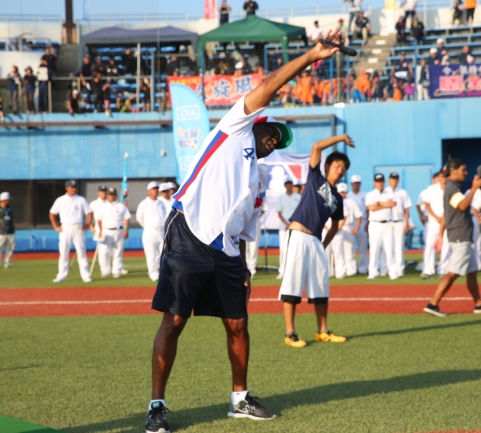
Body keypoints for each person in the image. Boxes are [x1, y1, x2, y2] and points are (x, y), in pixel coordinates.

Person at [145, 29, 343, 432]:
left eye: (278, 141)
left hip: (228, 251)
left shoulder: (257, 177)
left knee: (238, 323)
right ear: (257, 122)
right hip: (189, 233)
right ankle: (157, 406)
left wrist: (246, 266)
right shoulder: (233, 127)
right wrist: (310, 57)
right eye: (271, 132)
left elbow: (245, 226)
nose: (272, 140)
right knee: (175, 321)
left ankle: (240, 399)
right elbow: (269, 86)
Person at [278, 134, 352, 348]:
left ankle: (322, 331)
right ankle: (290, 333)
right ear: (328, 166)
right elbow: (317, 146)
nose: (340, 170)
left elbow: (337, 224)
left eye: (343, 168)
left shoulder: (338, 198)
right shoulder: (315, 178)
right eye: (337, 165)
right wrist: (341, 138)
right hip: (298, 234)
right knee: (292, 283)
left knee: (321, 286)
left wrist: (323, 244)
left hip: (315, 241)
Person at [423, 159, 481, 317]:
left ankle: (479, 304)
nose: (466, 172)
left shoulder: (453, 187)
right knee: (453, 273)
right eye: (463, 170)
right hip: (460, 236)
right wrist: (474, 188)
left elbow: (448, 213)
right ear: (453, 171)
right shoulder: (452, 188)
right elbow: (463, 205)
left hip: (462, 235)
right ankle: (433, 303)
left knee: (471, 271)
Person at [49, 180, 93, 283]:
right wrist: (55, 226)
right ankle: (62, 275)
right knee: (63, 252)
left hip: (77, 226)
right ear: (66, 188)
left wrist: (87, 224)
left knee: (81, 252)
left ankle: (85, 275)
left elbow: (89, 212)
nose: (74, 189)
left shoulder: (81, 200)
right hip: (65, 227)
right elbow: (52, 213)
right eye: (71, 187)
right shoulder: (60, 200)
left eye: (75, 187)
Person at [366, 173, 398, 280]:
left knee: (389, 249)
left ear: (384, 182)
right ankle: (373, 272)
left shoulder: (389, 193)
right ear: (374, 182)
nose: (380, 183)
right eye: (378, 181)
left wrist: (379, 203)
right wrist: (384, 204)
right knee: (374, 249)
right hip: (375, 224)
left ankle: (392, 271)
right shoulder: (370, 194)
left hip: (388, 223)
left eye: (381, 181)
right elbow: (371, 207)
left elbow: (392, 204)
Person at [96, 187, 130, 279]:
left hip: (119, 230)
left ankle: (116, 271)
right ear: (107, 195)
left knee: (118, 252)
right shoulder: (102, 206)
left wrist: (126, 230)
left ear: (116, 195)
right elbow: (99, 220)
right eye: (110, 194)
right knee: (103, 252)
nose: (111, 196)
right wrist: (100, 231)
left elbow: (127, 218)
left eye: (113, 194)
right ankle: (105, 270)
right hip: (106, 231)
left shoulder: (121, 206)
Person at [421, 171, 451, 278]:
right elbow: (426, 204)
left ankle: (442, 269)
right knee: (430, 245)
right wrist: (436, 216)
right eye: (442, 176)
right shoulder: (431, 189)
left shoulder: (450, 189)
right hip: (433, 222)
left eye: (445, 176)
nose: (443, 178)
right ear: (438, 177)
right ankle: (428, 270)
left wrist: (444, 216)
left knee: (446, 246)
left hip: (447, 221)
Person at [136, 181, 167, 281]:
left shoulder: (161, 203)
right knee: (151, 253)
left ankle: (159, 269)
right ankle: (153, 272)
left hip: (161, 230)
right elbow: (139, 218)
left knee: (162, 252)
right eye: (153, 189)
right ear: (148, 190)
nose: (155, 191)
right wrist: (148, 227)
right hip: (150, 231)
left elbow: (165, 215)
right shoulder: (144, 203)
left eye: (156, 188)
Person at [385, 172, 412, 277]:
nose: (394, 180)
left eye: (396, 178)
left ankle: (400, 269)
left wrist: (406, 223)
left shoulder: (403, 193)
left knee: (399, 246)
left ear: (398, 180)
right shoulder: (384, 192)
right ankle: (389, 268)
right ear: (389, 179)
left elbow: (407, 210)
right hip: (388, 222)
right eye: (392, 178)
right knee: (388, 247)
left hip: (399, 221)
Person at [275, 177, 301, 279]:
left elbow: (300, 212)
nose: (289, 185)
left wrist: (293, 224)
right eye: (287, 184)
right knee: (283, 249)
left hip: (296, 226)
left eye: (290, 183)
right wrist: (287, 224)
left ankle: (296, 270)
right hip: (284, 227)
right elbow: (279, 213)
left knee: (296, 249)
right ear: (284, 185)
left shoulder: (299, 197)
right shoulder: (280, 198)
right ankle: (282, 271)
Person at [337, 182, 363, 277]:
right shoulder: (334, 201)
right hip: (337, 228)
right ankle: (339, 270)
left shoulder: (351, 202)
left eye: (344, 192)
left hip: (348, 227)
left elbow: (359, 215)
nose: (342, 194)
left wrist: (357, 227)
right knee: (338, 251)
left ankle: (351, 270)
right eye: (340, 192)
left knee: (349, 250)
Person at [348, 175, 368, 274]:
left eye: (358, 183)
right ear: (351, 184)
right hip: (350, 222)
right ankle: (351, 267)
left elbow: (368, 210)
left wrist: (367, 222)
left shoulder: (365, 195)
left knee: (363, 246)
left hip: (363, 221)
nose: (356, 185)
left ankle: (363, 266)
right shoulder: (348, 195)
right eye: (354, 183)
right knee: (349, 247)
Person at [89, 185, 108, 277]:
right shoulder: (94, 204)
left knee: (112, 250)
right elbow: (90, 217)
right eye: (101, 191)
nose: (103, 193)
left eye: (105, 191)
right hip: (99, 230)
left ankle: (115, 268)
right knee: (102, 250)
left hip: (110, 228)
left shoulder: (110, 202)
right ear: (98, 192)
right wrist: (91, 227)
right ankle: (104, 269)